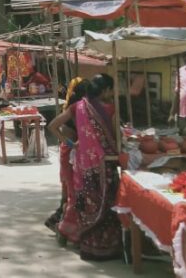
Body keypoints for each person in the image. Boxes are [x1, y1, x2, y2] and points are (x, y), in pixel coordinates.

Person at [47, 74, 121, 261]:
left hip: (83, 166)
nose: (113, 93)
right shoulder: (111, 109)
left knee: (86, 204)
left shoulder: (77, 107)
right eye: (111, 89)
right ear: (105, 90)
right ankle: (107, 246)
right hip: (106, 165)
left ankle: (87, 245)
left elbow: (53, 125)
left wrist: (72, 144)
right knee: (107, 204)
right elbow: (117, 138)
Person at [44, 77, 88, 244]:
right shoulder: (75, 109)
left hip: (73, 153)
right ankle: (61, 227)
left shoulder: (79, 107)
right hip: (69, 154)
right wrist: (70, 143)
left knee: (69, 193)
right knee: (71, 194)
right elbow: (53, 127)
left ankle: (58, 222)